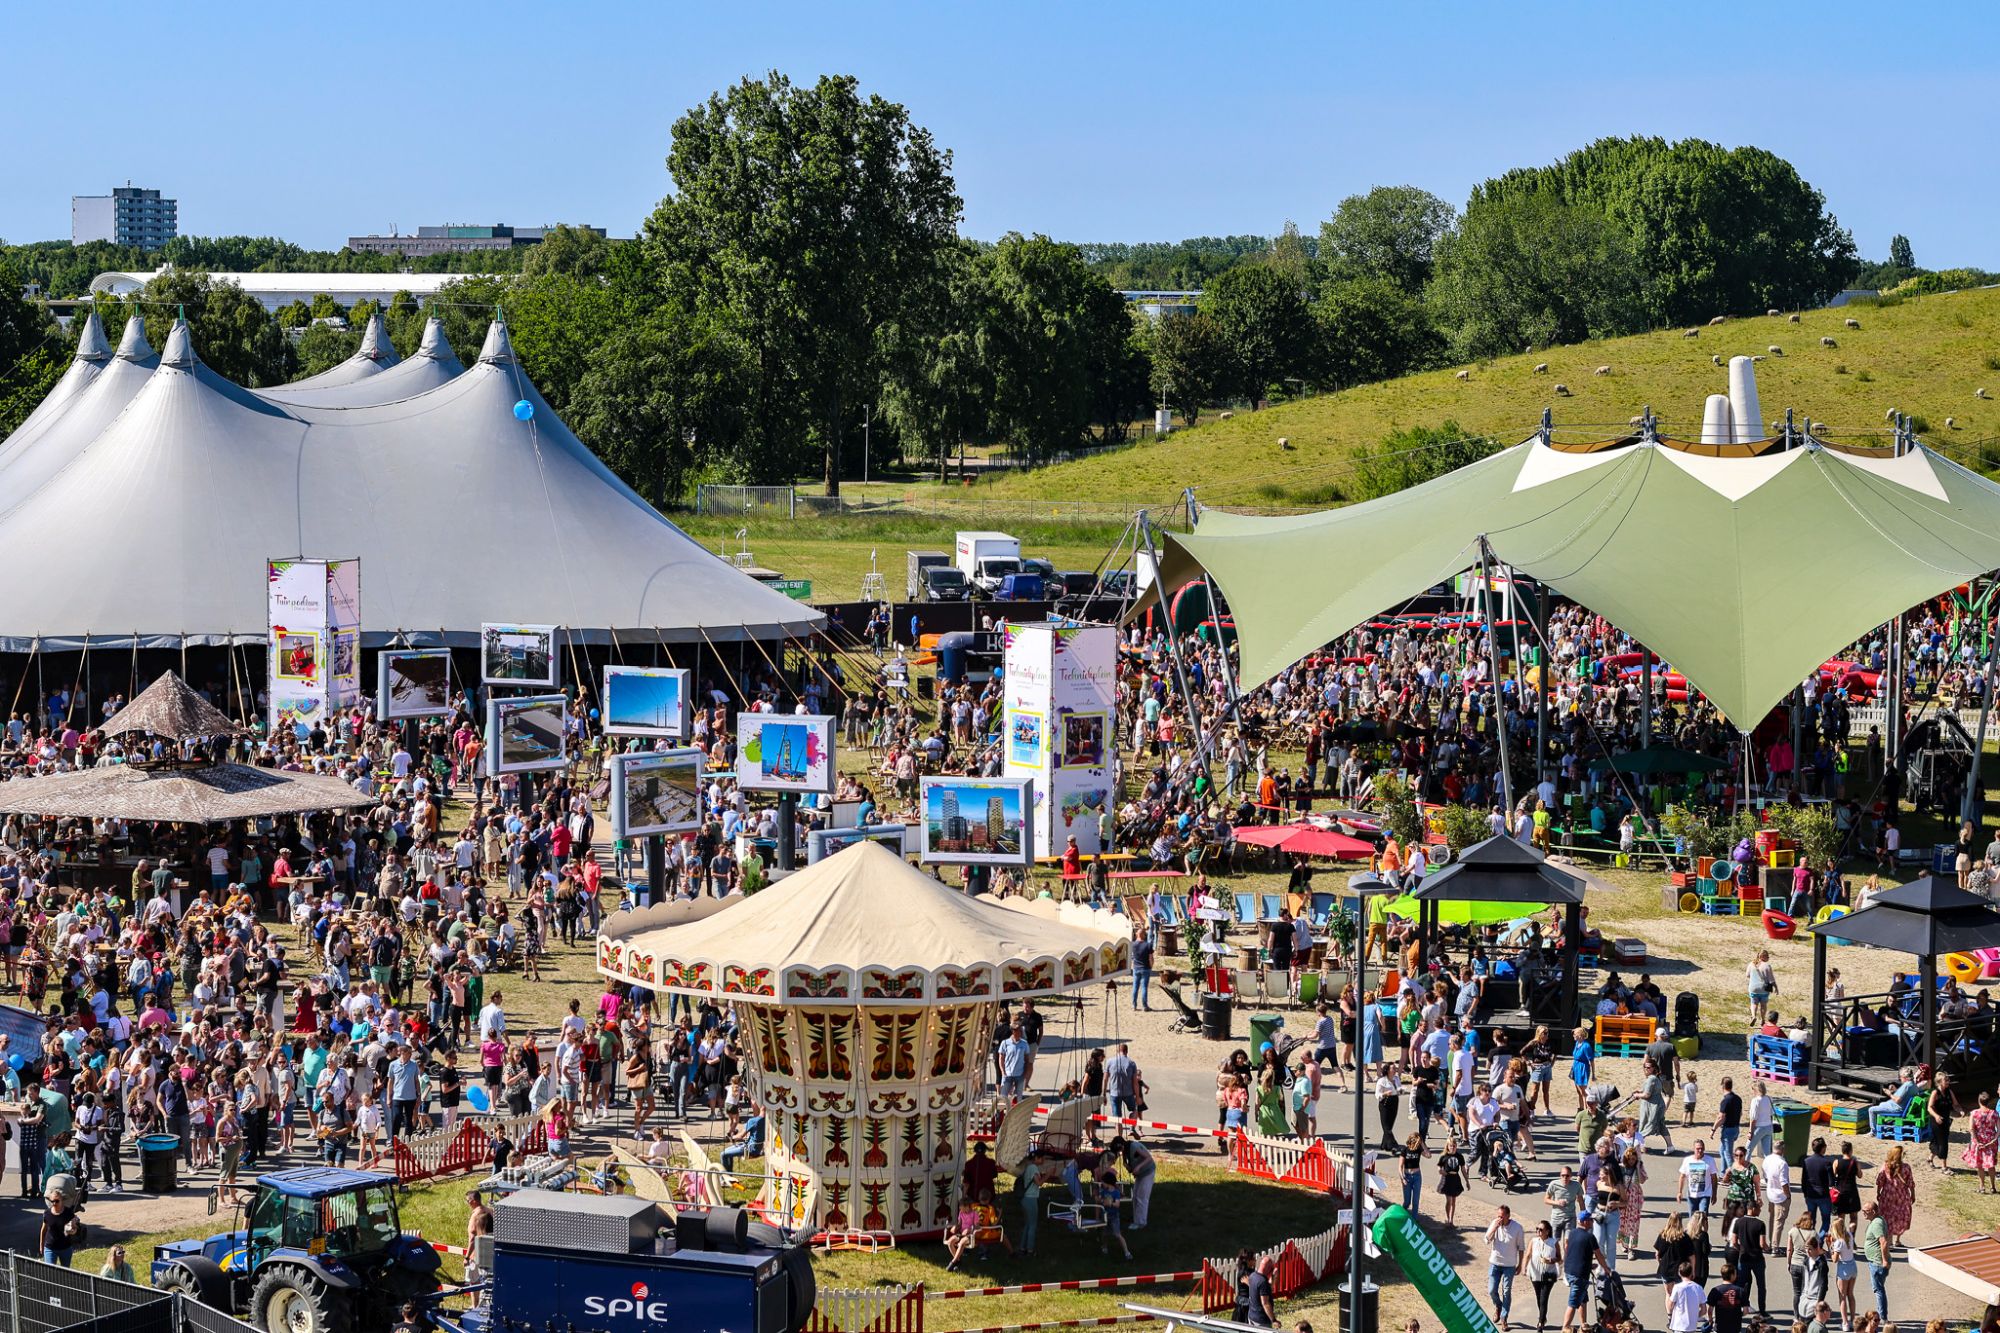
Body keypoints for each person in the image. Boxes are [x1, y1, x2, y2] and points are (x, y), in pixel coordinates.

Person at [1560, 1209, 1609, 1333]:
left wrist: (1588, 1265)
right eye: (1590, 1220)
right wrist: (1606, 1268)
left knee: (1583, 1299)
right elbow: (1599, 1255)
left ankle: (1583, 1324)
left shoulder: (1572, 1233)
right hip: (1579, 1275)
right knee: (1573, 1302)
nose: (1592, 1222)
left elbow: (1575, 1251)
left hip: (1569, 1271)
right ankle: (1565, 1328)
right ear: (1585, 1221)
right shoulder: (1589, 1237)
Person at [1486, 1204, 1527, 1331]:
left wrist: (1520, 1264)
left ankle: (1504, 1318)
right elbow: (1486, 1240)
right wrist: (1494, 1228)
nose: (1500, 1218)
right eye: (1498, 1216)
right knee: (1491, 1290)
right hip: (1495, 1263)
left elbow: (1521, 1247)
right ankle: (1498, 1306)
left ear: (1508, 1216)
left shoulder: (1517, 1228)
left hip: (1509, 1265)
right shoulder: (1495, 1224)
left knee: (1506, 1291)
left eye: (1502, 1216)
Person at [1873, 1144, 1914, 1251]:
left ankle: (1890, 1241)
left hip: (1888, 1195)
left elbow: (1880, 1180)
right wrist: (1913, 1194)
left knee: (1888, 1217)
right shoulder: (1906, 1167)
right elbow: (1910, 1182)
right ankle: (1897, 1240)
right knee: (1901, 1216)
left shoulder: (1885, 1166)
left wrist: (1878, 1192)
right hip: (1902, 1195)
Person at [1527, 1220, 1561, 1332]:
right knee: (1539, 1298)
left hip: (1549, 1275)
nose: (1538, 1231)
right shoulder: (1533, 1241)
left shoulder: (1554, 1242)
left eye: (1541, 1229)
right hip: (1535, 1274)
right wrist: (1523, 1267)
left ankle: (1540, 1323)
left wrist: (1551, 1260)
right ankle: (1543, 1317)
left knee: (1543, 1298)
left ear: (1547, 1231)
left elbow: (1559, 1258)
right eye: (1537, 1229)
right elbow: (1528, 1255)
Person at [1859, 1201, 1889, 1325]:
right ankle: (1882, 1315)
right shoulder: (1876, 1220)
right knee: (1879, 1289)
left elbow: (1883, 1242)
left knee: (1878, 1290)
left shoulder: (1877, 1223)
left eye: (1866, 1211)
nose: (1863, 1213)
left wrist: (1884, 1260)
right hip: (1876, 1261)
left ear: (1874, 1211)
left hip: (1877, 1262)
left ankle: (1882, 1317)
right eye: (1863, 1210)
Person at [39, 1184, 80, 1267]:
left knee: (65, 1271)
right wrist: (41, 1245)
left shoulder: (68, 1213)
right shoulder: (47, 1213)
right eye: (52, 1201)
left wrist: (73, 1230)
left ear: (62, 1200)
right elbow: (43, 1230)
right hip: (50, 1248)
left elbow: (75, 1229)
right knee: (50, 1271)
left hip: (65, 1248)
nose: (54, 1203)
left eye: (57, 1201)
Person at [1967, 1089, 1999, 1194]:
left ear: (1979, 1101)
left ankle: (1982, 1187)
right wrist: (1994, 1139)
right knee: (1991, 1165)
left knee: (1980, 1165)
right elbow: (1999, 1129)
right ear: (1988, 1102)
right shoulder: (1994, 1113)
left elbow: (1971, 1128)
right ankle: (1993, 1187)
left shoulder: (1974, 1113)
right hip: (1991, 1142)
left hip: (1979, 1141)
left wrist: (1977, 1141)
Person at [1706, 1261, 1750, 1333]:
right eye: (1735, 1273)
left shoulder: (1715, 1290)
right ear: (1732, 1275)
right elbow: (1746, 1311)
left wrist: (1710, 1320)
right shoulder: (1741, 1291)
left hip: (1720, 1326)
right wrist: (1739, 1314)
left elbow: (1710, 1310)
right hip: (1735, 1326)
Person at [1677, 1140, 1717, 1217]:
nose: (1700, 1150)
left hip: (1705, 1194)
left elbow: (1714, 1178)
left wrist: (1714, 1194)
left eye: (1702, 1148)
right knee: (1693, 1218)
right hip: (1692, 1194)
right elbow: (1682, 1177)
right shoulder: (1687, 1160)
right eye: (1698, 1148)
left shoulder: (1710, 1160)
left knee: (1702, 1216)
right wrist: (1679, 1192)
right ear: (1694, 1149)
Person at [1666, 1259, 1705, 1333]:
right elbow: (1703, 1310)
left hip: (1679, 1324)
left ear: (1679, 1273)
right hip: (1691, 1326)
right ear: (1691, 1273)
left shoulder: (1677, 1287)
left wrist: (1670, 1314)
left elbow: (1670, 1305)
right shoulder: (1698, 1288)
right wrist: (1695, 1317)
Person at [1437, 1133, 1467, 1226]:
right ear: (1447, 1146)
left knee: (1453, 1200)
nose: (1452, 1148)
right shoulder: (1444, 1156)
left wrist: (1467, 1181)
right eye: (1451, 1146)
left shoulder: (1459, 1156)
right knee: (1449, 1200)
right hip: (1447, 1179)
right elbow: (1439, 1166)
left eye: (1454, 1146)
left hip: (1456, 1179)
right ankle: (1448, 1217)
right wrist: (1440, 1171)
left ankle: (1451, 1220)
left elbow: (1463, 1169)